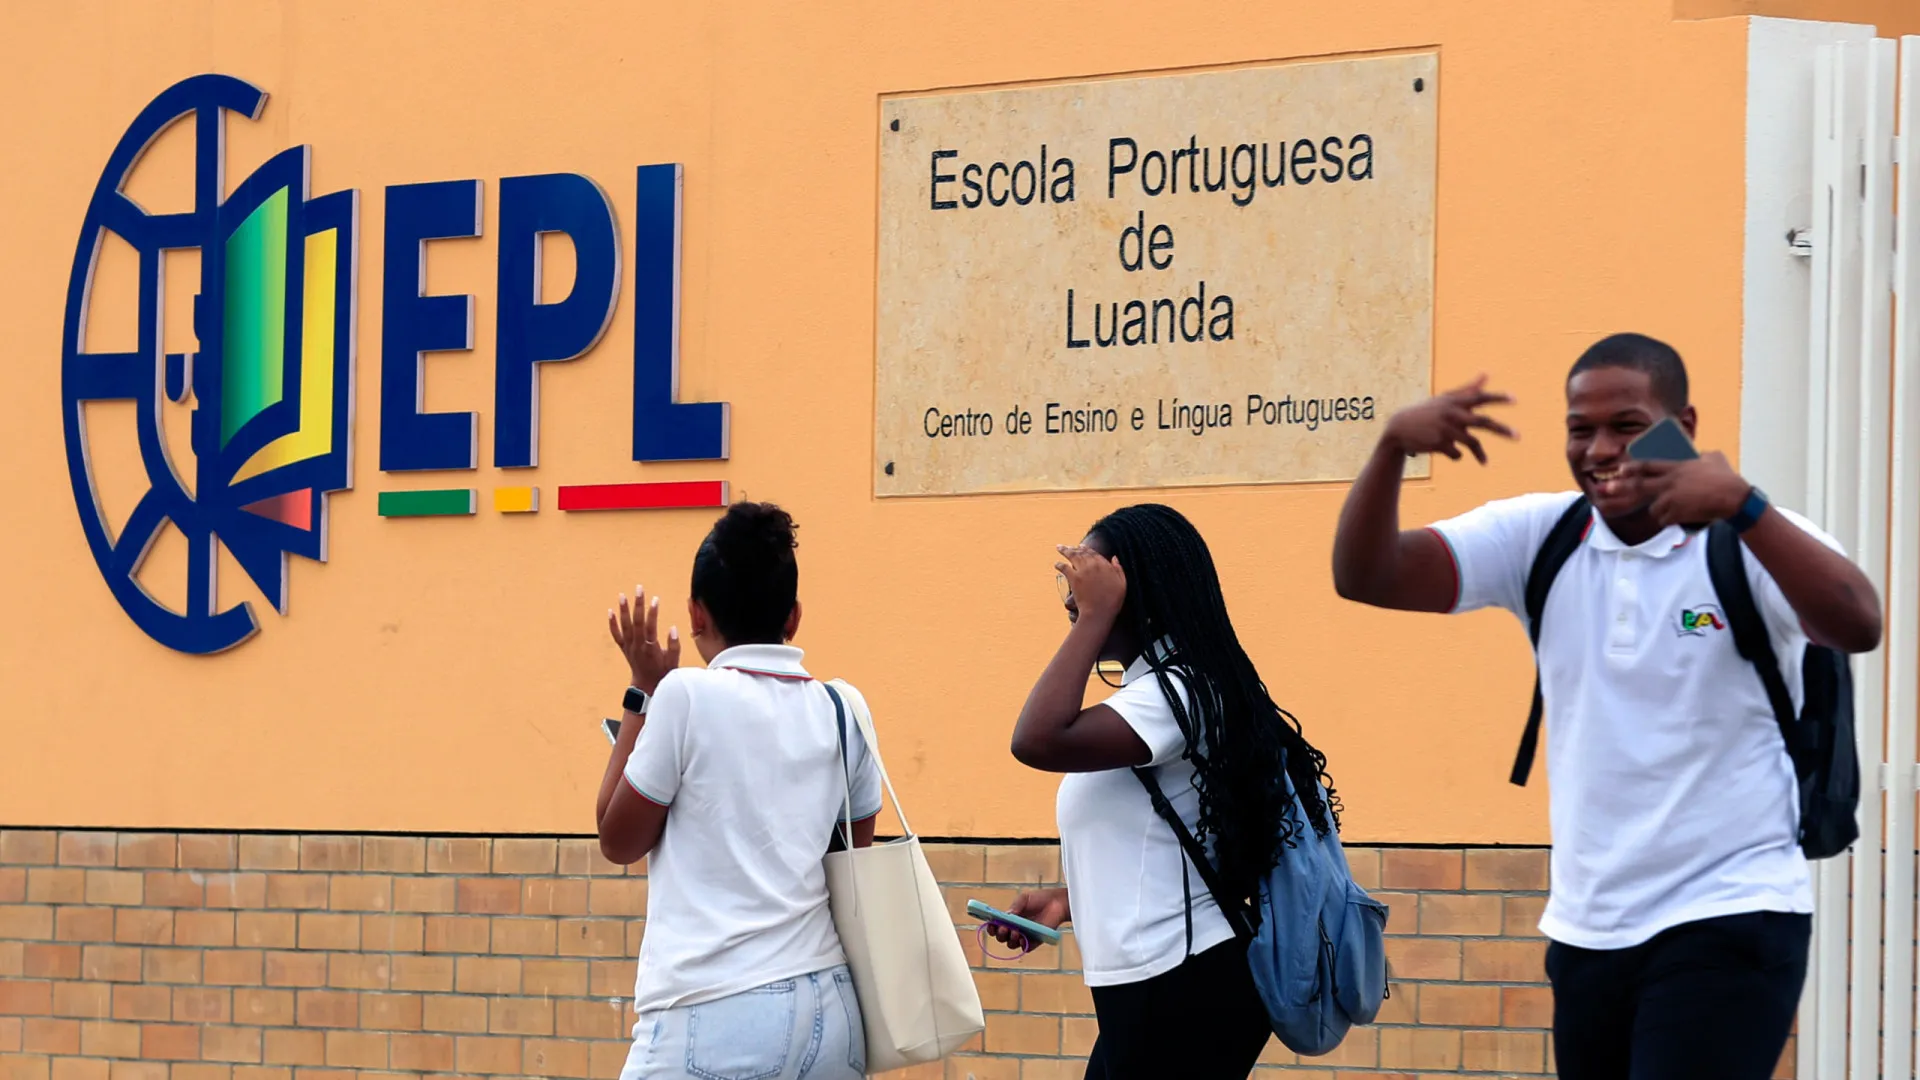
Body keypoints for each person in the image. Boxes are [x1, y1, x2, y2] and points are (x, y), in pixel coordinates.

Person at [1330, 332, 1882, 1079]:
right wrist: (1391, 447)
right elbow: (1369, 576)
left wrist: (1746, 507)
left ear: (1682, 425)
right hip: (1588, 930)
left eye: (1626, 425)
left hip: (1729, 913)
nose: (1598, 449)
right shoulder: (1540, 536)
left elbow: (1857, 623)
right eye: (1579, 428)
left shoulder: (1745, 538)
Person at [995, 503, 1335, 1079]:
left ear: (1136, 592)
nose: (1073, 600)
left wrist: (1094, 617)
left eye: (1087, 582)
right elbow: (1157, 843)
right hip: (1156, 989)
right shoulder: (1153, 693)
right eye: (1069, 583)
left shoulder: (1179, 693)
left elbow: (1037, 739)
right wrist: (1066, 902)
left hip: (1183, 986)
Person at [594, 502, 882, 1080]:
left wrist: (641, 692)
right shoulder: (844, 707)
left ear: (697, 614)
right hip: (830, 1005)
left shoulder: (684, 696)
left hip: (711, 1009)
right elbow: (852, 857)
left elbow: (617, 837)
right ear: (793, 617)